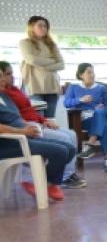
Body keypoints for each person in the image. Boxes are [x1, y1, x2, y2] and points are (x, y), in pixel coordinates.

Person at [0, 60, 83, 188]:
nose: (6, 79)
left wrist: (40, 122)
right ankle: (50, 183)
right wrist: (24, 131)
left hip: (26, 131)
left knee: (70, 145)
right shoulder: (6, 93)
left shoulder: (5, 95)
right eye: (5, 75)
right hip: (12, 142)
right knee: (61, 149)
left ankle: (49, 183)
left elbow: (18, 116)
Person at [64, 63, 107, 172]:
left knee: (100, 112)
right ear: (81, 74)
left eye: (93, 72)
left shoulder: (102, 88)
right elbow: (66, 103)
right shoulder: (73, 87)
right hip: (85, 120)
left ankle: (90, 144)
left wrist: (102, 108)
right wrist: (80, 100)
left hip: (102, 116)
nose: (92, 75)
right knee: (104, 126)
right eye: (89, 72)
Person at [18, 16, 65, 118]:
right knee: (38, 119)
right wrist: (52, 61)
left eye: (45, 26)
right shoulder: (25, 42)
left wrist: (44, 66)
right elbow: (32, 60)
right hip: (34, 86)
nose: (43, 28)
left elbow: (61, 64)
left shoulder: (52, 45)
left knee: (50, 119)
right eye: (40, 25)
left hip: (52, 86)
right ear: (32, 27)